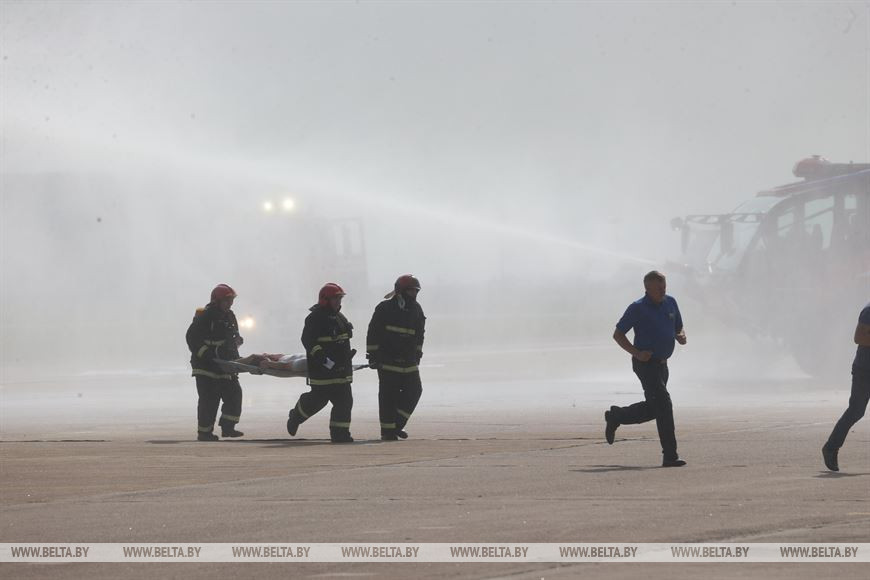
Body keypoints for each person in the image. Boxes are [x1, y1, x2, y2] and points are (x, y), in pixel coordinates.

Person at [604, 271, 688, 467]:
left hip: (662, 366)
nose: (662, 291)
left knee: (655, 408)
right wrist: (636, 353)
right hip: (645, 365)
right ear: (647, 289)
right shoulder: (637, 308)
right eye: (658, 289)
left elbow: (679, 327)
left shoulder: (671, 302)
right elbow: (618, 334)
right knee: (664, 405)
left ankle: (617, 416)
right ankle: (670, 456)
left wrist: (681, 335)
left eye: (664, 287)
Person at [286, 283, 356, 443]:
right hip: (323, 371)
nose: (339, 302)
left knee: (345, 402)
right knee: (317, 401)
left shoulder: (340, 317)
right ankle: (295, 416)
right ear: (325, 300)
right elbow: (308, 341)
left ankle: (340, 434)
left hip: (341, 372)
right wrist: (323, 359)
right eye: (336, 298)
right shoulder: (315, 318)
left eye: (340, 298)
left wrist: (346, 357)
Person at [366, 275, 426, 441]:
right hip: (388, 361)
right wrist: (372, 354)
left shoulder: (416, 309)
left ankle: (397, 424)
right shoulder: (385, 308)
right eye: (411, 291)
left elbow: (420, 334)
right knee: (388, 397)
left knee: (414, 391)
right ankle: (387, 432)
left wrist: (418, 353)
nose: (414, 294)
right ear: (401, 291)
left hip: (409, 361)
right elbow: (373, 331)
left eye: (416, 291)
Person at [185, 284, 245, 441]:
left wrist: (237, 342)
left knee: (234, 394)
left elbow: (232, 337)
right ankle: (204, 433)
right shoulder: (206, 316)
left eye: (231, 300)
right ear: (217, 301)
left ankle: (228, 427)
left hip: (225, 364)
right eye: (227, 300)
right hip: (206, 366)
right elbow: (192, 338)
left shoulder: (230, 316)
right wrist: (208, 355)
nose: (230, 303)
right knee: (209, 399)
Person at [822, 302, 870, 471]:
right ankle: (831, 447)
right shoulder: (868, 310)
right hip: (865, 370)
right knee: (856, 411)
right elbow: (858, 338)